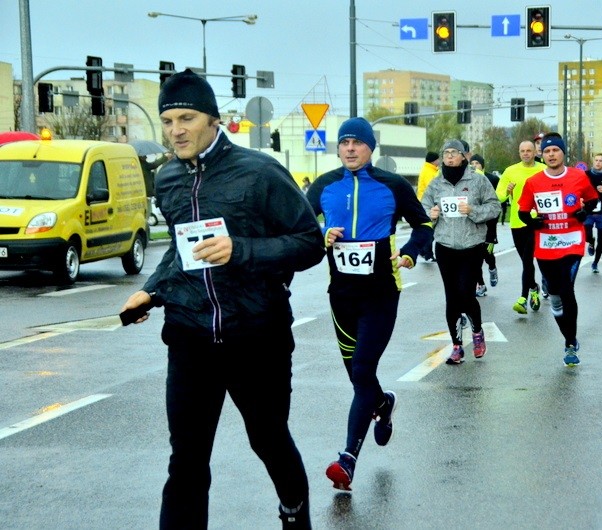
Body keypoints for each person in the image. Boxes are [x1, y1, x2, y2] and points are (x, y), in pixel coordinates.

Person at [119, 69, 325, 529]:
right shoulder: (168, 178)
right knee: (187, 460)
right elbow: (180, 249)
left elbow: (309, 242)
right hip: (190, 337)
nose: (176, 130)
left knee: (268, 439)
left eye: (187, 118)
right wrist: (150, 292)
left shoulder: (259, 171)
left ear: (214, 120)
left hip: (257, 336)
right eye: (168, 120)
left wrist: (242, 249)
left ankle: (294, 510)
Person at [305, 117, 433, 491]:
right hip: (341, 296)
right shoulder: (325, 186)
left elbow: (423, 226)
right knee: (358, 378)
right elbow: (297, 224)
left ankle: (347, 460)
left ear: (369, 148)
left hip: (381, 293)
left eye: (356, 143)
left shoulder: (393, 185)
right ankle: (383, 403)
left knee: (362, 370)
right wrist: (320, 234)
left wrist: (410, 252)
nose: (349, 148)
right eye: (343, 143)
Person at [517, 133, 598, 367]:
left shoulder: (578, 176)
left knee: (566, 289)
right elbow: (523, 212)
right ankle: (568, 335)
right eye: (547, 151)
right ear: (542, 155)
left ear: (563, 153)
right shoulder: (534, 182)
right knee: (555, 298)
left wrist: (585, 213)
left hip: (572, 241)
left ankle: (570, 343)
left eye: (556, 151)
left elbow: (592, 200)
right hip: (546, 246)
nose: (551, 155)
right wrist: (533, 222)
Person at [421, 139, 501, 365]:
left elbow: (494, 207)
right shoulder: (436, 184)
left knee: (466, 293)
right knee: (452, 297)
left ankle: (477, 330)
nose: (449, 156)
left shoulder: (477, 180)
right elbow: (422, 208)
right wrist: (431, 213)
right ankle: (456, 346)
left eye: (454, 152)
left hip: (471, 246)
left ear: (464, 156)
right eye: (445, 152)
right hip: (445, 247)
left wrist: (473, 210)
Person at [497, 140, 547, 314]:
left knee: (527, 260)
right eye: (522, 151)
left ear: (535, 153)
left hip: (537, 221)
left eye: (529, 150)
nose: (525, 153)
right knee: (526, 262)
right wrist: (507, 192)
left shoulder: (542, 169)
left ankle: (523, 298)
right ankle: (534, 287)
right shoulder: (510, 171)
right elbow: (499, 196)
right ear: (519, 153)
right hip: (518, 222)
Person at [471, 154, 500, 296]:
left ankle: (492, 268)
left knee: (487, 254)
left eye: (477, 163)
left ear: (482, 165)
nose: (475, 165)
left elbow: (497, 202)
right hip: (473, 224)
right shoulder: (467, 180)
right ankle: (481, 285)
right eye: (472, 163)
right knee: (475, 259)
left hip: (489, 224)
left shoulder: (493, 179)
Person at [416, 151, 440, 262]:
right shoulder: (430, 172)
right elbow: (433, 189)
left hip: (425, 203)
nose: (439, 161)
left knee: (430, 229)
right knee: (431, 229)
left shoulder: (429, 170)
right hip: (428, 204)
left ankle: (424, 251)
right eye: (438, 159)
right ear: (434, 160)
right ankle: (427, 253)